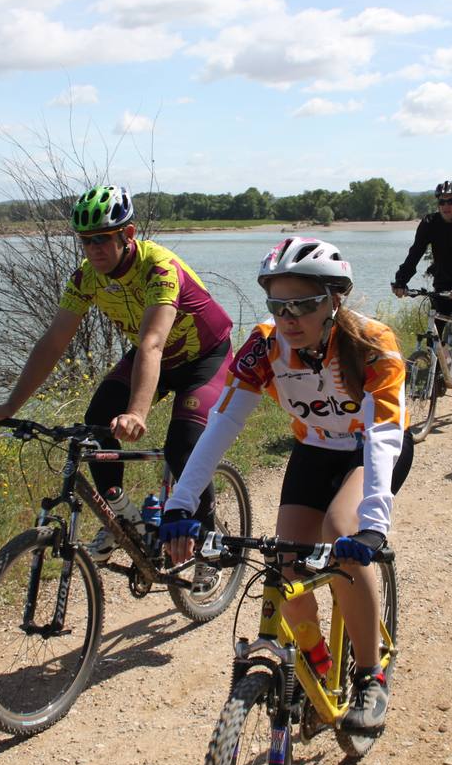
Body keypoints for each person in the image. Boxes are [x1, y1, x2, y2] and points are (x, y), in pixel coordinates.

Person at [161, 237, 413, 733]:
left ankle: (369, 676)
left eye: (303, 304)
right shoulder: (265, 346)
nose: (289, 316)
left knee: (342, 530)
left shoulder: (371, 343)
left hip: (371, 451)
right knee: (284, 557)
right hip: (315, 450)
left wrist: (372, 526)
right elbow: (222, 424)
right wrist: (180, 504)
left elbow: (384, 433)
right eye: (278, 305)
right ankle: (317, 663)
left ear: (334, 299)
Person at [0, 184, 234, 561]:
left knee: (183, 446)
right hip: (155, 357)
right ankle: (124, 520)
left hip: (204, 359)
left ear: (127, 235)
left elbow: (152, 344)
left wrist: (137, 413)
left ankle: (209, 542)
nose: (93, 249)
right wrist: (10, 405)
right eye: (85, 241)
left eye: (102, 239)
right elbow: (53, 342)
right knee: (96, 424)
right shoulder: (86, 278)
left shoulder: (159, 268)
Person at [391, 181, 452, 380]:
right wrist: (401, 280)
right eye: (442, 202)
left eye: (451, 201)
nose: (446, 206)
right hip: (443, 281)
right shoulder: (430, 223)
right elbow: (415, 253)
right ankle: (443, 369)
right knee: (435, 331)